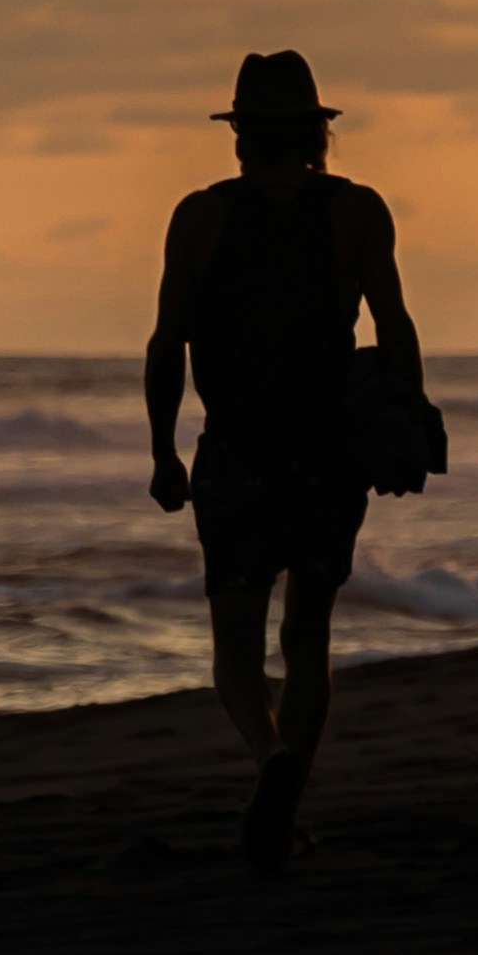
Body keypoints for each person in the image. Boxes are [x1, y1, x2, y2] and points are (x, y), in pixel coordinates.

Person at [144, 49, 421, 871]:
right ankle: (286, 800)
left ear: (239, 139)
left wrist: (162, 451)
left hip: (233, 452)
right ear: (315, 135)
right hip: (325, 452)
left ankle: (268, 760)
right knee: (308, 637)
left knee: (235, 647)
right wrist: (403, 413)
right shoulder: (357, 212)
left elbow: (168, 343)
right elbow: (393, 325)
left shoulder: (198, 218)